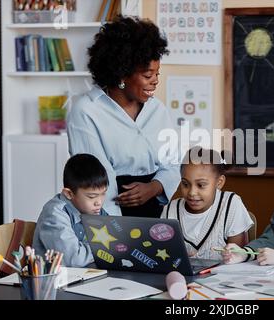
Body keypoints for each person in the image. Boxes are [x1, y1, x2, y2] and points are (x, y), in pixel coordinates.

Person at [66, 15, 180, 218]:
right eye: (147, 75)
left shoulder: (158, 110)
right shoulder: (86, 111)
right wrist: (116, 228)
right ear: (121, 74)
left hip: (157, 212)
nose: (155, 82)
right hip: (107, 213)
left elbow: (172, 163)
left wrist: (154, 187)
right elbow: (96, 177)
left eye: (157, 74)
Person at [161, 147, 254, 260]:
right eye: (185, 184)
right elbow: (163, 253)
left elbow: (238, 257)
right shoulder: (170, 209)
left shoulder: (231, 205)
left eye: (201, 185)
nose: (192, 192)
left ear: (219, 183)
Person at [33, 154, 109, 267]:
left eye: (103, 194)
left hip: (87, 275)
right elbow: (73, 259)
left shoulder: (95, 209)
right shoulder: (54, 213)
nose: (99, 202)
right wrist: (105, 249)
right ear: (69, 194)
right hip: (56, 281)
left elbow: (116, 241)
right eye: (92, 197)